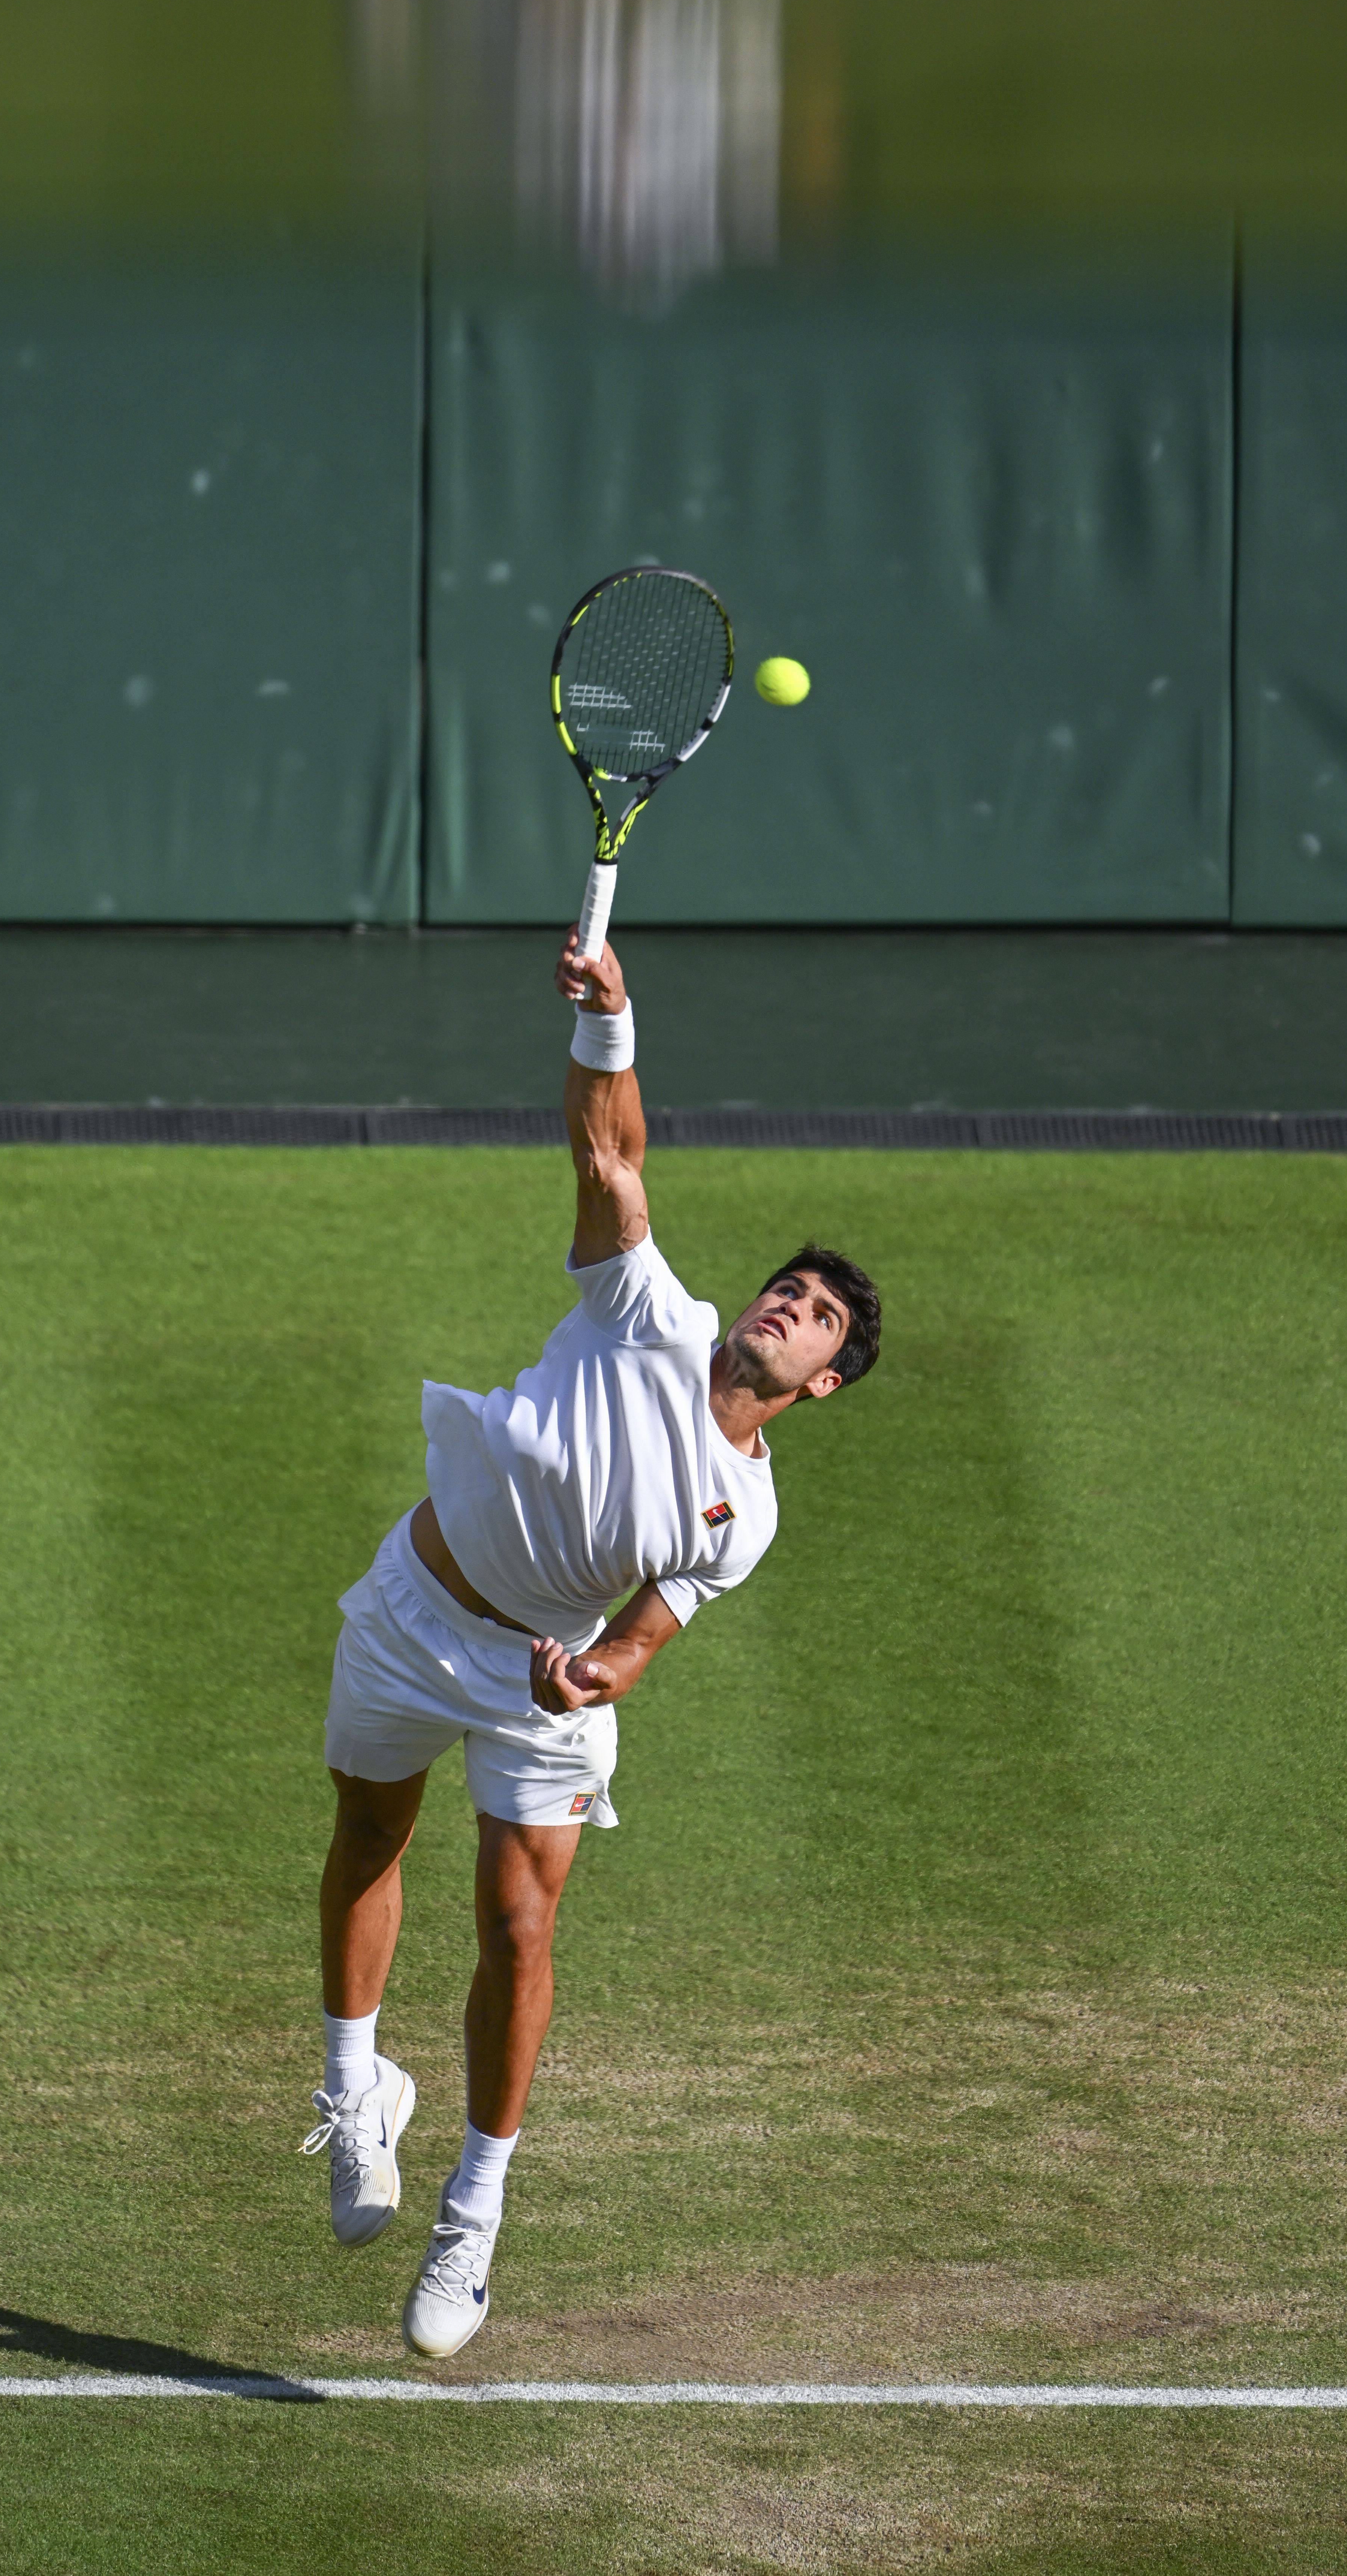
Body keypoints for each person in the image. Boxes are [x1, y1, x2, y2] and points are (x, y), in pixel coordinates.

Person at [303, 928, 881, 2358]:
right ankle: (356, 2089)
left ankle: (474, 2216)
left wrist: (590, 1675)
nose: (785, 1310)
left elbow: (642, 1641)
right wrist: (612, 1023)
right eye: (788, 1290)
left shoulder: (741, 1514)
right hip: (412, 1607)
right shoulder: (644, 1312)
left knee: (519, 1924)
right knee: (368, 1836)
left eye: (814, 1321)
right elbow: (610, 1159)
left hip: (536, 1681)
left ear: (819, 1386)